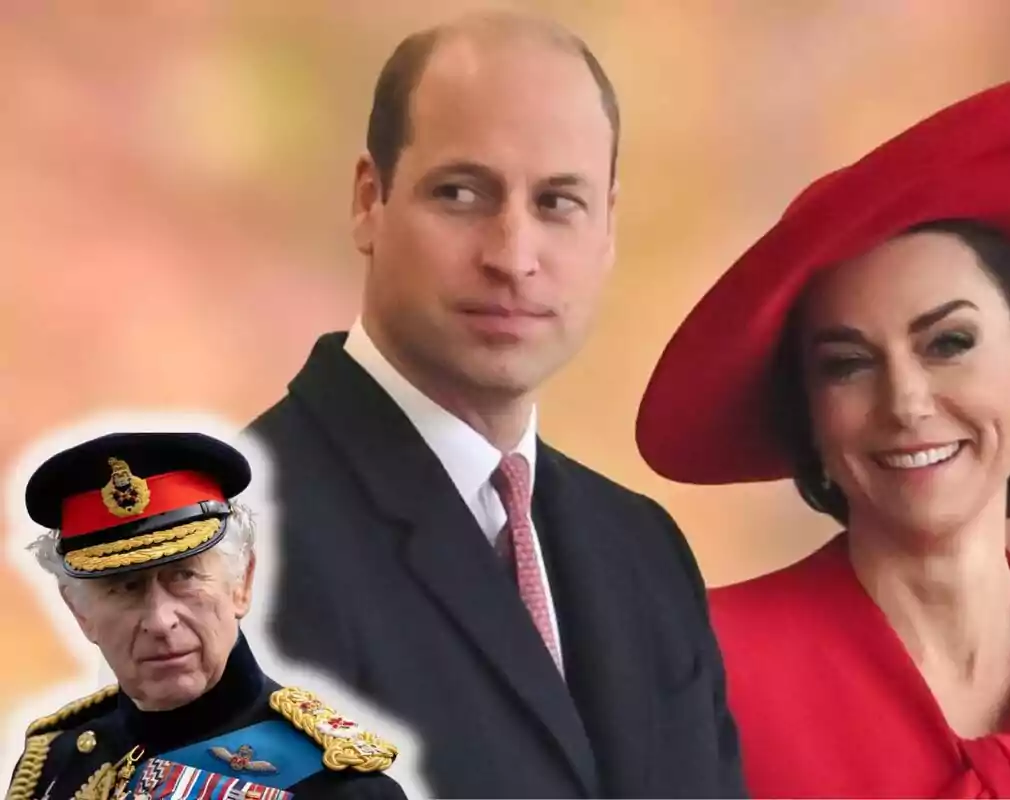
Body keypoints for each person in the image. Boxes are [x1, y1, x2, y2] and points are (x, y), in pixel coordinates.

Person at [635, 70, 1010, 797]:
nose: (905, 401)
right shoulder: (696, 668)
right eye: (847, 364)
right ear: (809, 413)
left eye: (948, 343)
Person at [245, 10, 744, 799]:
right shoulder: (234, 544)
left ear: (608, 225)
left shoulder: (647, 553)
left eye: (557, 202)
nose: (513, 257)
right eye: (462, 193)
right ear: (369, 200)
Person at [6, 432, 408, 800]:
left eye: (184, 576)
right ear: (79, 611)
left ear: (242, 583)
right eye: (125, 587)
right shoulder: (56, 763)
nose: (161, 621)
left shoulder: (343, 788)